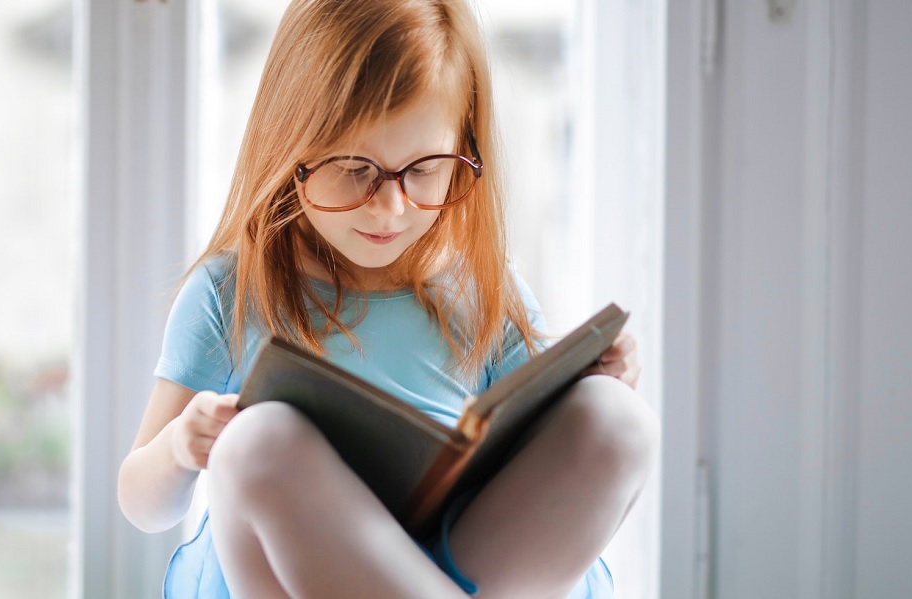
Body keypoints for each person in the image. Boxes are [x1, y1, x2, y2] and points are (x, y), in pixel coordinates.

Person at [117, 0, 658, 597]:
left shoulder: (485, 291)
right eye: (354, 169)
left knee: (618, 419)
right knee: (255, 443)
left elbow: (537, 456)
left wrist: (592, 379)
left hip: (465, 560)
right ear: (290, 148)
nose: (390, 208)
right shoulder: (231, 291)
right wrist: (179, 448)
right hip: (294, 572)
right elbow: (143, 505)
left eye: (426, 168)